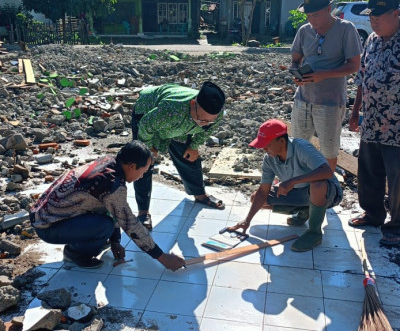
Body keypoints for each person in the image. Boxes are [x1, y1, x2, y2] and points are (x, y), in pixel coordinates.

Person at [30, 141, 185, 270]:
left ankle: (85, 241)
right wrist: (162, 257)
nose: (141, 176)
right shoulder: (113, 185)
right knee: (104, 226)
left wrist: (115, 241)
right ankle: (75, 253)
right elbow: (130, 223)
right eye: (142, 171)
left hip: (41, 214)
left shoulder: (109, 162)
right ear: (131, 166)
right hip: (48, 227)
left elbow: (112, 207)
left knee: (107, 224)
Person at [228, 119, 343, 252]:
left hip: (329, 193)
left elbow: (327, 171)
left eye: (267, 145)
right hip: (299, 192)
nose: (264, 149)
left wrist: (293, 181)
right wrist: (247, 220)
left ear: (282, 141)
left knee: (317, 185)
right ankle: (306, 211)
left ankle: (314, 233)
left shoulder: (301, 147)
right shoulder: (269, 158)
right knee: (256, 199)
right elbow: (263, 191)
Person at [131, 81, 226, 230]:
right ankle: (143, 211)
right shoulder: (171, 109)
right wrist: (149, 147)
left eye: (208, 121)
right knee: (143, 162)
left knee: (188, 155)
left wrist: (194, 146)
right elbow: (146, 125)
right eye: (201, 120)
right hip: (148, 112)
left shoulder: (214, 115)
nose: (203, 124)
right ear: (193, 103)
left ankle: (200, 194)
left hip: (179, 122)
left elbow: (208, 130)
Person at [348, 0, 400, 247]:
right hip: (371, 121)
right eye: (371, 16)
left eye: (379, 15)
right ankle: (373, 213)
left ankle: (397, 225)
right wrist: (356, 111)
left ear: (396, 13)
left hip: (397, 126)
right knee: (369, 171)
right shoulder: (372, 41)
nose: (374, 20)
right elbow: (362, 77)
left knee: (397, 175)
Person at [290, 0, 363, 172]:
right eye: (308, 15)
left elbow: (354, 65)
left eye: (315, 14)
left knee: (328, 152)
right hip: (303, 99)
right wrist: (296, 75)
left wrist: (323, 74)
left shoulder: (346, 29)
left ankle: (325, 193)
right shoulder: (304, 31)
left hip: (331, 101)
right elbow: (294, 61)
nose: (311, 19)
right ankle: (300, 188)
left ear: (329, 9)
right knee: (298, 146)